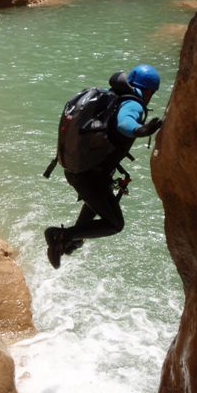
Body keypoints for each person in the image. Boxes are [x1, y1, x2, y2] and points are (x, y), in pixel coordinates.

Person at [44, 64, 163, 269]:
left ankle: (71, 241)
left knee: (95, 205)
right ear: (149, 92)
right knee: (115, 224)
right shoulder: (133, 104)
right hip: (90, 176)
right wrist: (141, 130)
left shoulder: (113, 97)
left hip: (82, 170)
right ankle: (60, 236)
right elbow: (124, 123)